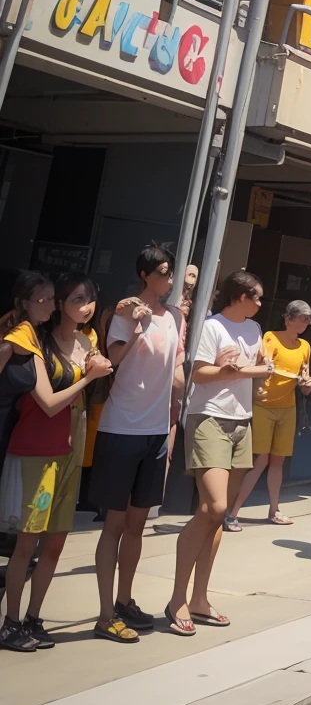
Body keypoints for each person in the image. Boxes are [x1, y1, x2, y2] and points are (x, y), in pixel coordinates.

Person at [2, 274, 110, 651]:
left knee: (55, 545)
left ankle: (33, 618)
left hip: (69, 454)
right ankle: (11, 622)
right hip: (38, 452)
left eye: (91, 298)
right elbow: (47, 404)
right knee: (27, 545)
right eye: (77, 298)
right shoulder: (35, 341)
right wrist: (88, 376)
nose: (86, 305)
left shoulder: (87, 340)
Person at [87, 244, 183, 642]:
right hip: (122, 426)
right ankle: (106, 613)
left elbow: (176, 366)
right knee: (115, 522)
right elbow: (114, 360)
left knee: (139, 523)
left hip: (157, 429)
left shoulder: (176, 315)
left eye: (171, 271)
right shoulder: (127, 309)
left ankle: (126, 600)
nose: (169, 278)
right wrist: (136, 324)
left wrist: (177, 405)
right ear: (145, 275)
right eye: (162, 271)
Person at [168, 269, 267, 635]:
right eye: (255, 296)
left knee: (214, 516)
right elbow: (199, 374)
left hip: (243, 420)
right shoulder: (213, 325)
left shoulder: (254, 331)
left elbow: (257, 368)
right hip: (209, 418)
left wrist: (262, 369)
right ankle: (177, 598)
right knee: (215, 506)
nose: (260, 302)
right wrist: (231, 369)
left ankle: (199, 598)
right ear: (238, 296)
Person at [227, 298, 311, 530]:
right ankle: (232, 512)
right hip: (263, 405)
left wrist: (308, 383)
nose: (304, 324)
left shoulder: (305, 346)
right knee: (260, 460)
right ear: (287, 318)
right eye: (300, 318)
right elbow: (264, 366)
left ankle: (274, 509)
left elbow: (304, 383)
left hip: (288, 407)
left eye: (307, 320)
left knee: (278, 460)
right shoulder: (270, 337)